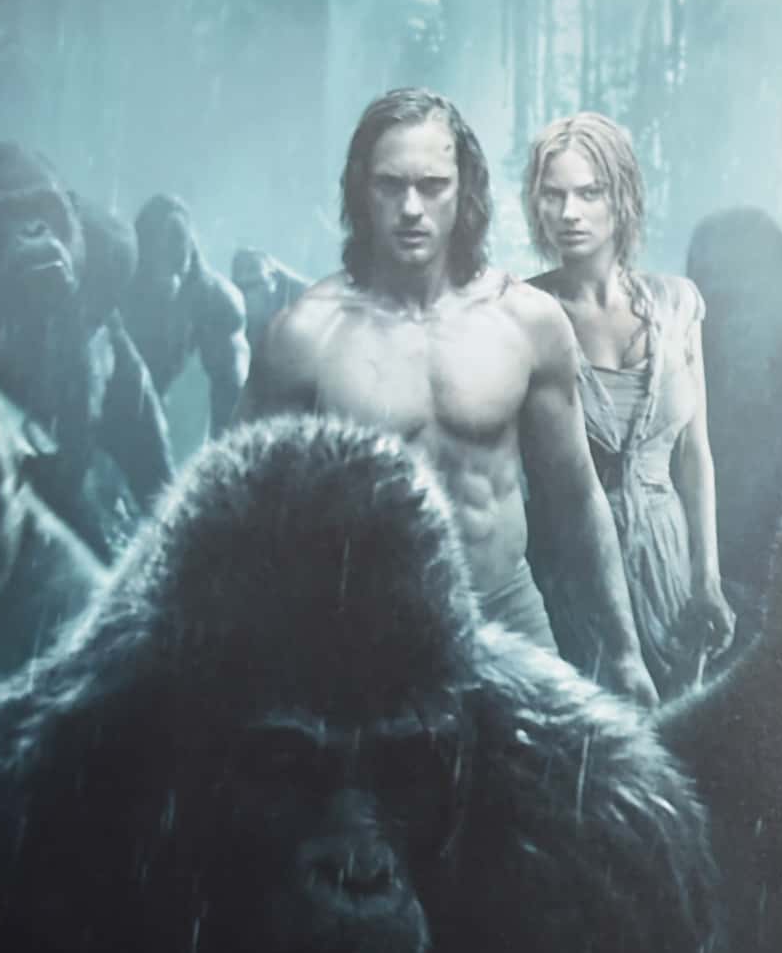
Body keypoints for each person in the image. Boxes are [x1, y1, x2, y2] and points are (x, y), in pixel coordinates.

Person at [237, 89, 657, 704]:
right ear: (361, 190)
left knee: (553, 794)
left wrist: (623, 653)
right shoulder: (305, 336)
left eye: (432, 185)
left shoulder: (526, 322)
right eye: (390, 185)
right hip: (362, 635)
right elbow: (238, 517)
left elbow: (575, 496)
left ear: (466, 191)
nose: (412, 208)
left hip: (507, 612)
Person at [522, 112, 736, 698]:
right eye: (554, 194)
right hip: (572, 576)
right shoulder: (522, 312)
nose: (570, 213)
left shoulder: (675, 305)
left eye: (589, 193)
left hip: (671, 568)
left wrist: (707, 579)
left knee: (682, 750)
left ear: (623, 198)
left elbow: (696, 455)